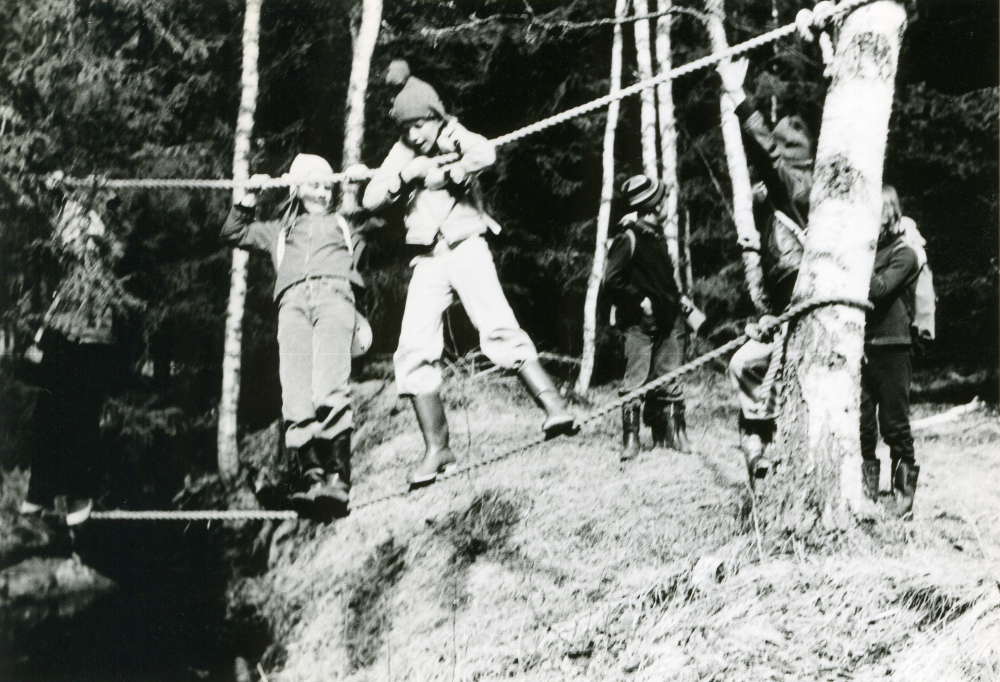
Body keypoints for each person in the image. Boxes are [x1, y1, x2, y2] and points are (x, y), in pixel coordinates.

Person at [362, 62, 575, 488]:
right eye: (407, 128)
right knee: (413, 348)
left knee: (497, 326)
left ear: (434, 116)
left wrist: (455, 169)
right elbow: (370, 198)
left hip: (466, 247)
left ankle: (555, 408)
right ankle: (438, 449)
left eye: (420, 125)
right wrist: (408, 175)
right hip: (427, 259)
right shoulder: (401, 153)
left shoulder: (452, 133)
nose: (414, 135)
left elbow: (486, 153)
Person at [221, 154, 364, 519]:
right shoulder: (279, 231)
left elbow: (386, 217)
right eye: (314, 183)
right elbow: (234, 232)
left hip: (335, 298)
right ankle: (311, 478)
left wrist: (364, 186)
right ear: (297, 188)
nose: (323, 190)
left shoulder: (345, 224)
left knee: (329, 387)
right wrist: (249, 198)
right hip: (292, 306)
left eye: (327, 184)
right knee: (296, 393)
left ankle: (338, 478)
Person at [717, 57, 815, 480]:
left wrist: (738, 95)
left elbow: (764, 148)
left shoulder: (791, 182)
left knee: (746, 364)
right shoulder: (799, 190)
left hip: (795, 292)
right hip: (787, 298)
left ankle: (763, 437)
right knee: (752, 362)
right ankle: (762, 441)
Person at [20, 192, 137, 526]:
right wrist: (40, 342)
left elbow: (119, 234)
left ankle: (78, 494)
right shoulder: (65, 274)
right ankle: (40, 490)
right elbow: (56, 305)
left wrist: (111, 207)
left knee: (81, 416)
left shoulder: (101, 266)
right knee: (47, 411)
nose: (78, 248)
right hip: (65, 338)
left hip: (91, 342)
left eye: (83, 242)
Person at [604, 175, 691, 460]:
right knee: (636, 381)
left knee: (670, 377)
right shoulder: (628, 237)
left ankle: (671, 435)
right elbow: (612, 280)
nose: (667, 205)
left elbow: (662, 279)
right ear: (653, 206)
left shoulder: (656, 237)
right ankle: (631, 440)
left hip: (669, 320)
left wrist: (678, 299)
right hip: (639, 325)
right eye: (663, 201)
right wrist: (640, 302)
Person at [861, 186, 921, 518]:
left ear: (888, 215)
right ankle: (867, 492)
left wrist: (854, 255)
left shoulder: (905, 253)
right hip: (862, 346)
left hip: (893, 348)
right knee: (862, 425)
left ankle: (903, 498)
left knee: (895, 425)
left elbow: (880, 290)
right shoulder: (869, 253)